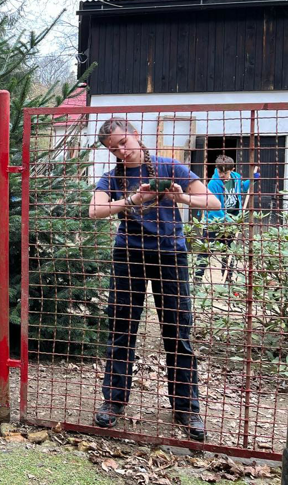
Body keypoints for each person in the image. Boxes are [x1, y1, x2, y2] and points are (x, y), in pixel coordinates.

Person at [89, 117, 221, 442]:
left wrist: (181, 197)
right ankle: (114, 402)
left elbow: (213, 202)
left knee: (178, 332)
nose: (121, 151)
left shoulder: (170, 166)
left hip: (170, 255)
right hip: (128, 256)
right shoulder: (113, 177)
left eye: (123, 142)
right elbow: (95, 210)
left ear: (135, 134)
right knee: (121, 329)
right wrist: (134, 200)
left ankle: (186, 409)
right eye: (113, 149)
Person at [193, 155, 258, 282]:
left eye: (225, 172)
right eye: (220, 172)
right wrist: (229, 221)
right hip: (213, 222)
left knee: (229, 251)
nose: (222, 175)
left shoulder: (236, 178)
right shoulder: (213, 184)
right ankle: (198, 277)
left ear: (232, 169)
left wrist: (252, 180)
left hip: (232, 221)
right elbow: (215, 208)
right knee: (206, 250)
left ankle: (227, 278)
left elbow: (243, 188)